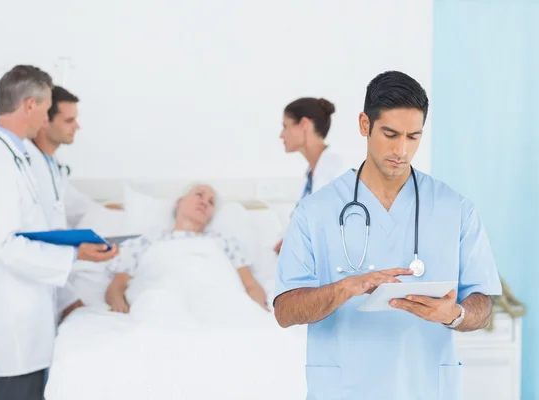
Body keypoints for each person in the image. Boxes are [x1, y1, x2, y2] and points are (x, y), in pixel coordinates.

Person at [272, 71, 502, 400]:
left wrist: (453, 315)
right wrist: (344, 289)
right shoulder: (315, 211)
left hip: (424, 387)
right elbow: (285, 310)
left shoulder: (457, 209)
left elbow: (482, 303)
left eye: (413, 137)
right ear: (365, 125)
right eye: (390, 134)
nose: (401, 150)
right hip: (344, 389)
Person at [0, 65, 119, 400]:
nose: (47, 117)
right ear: (29, 106)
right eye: (48, 107)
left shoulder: (15, 157)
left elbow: (32, 234)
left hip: (28, 317)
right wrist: (75, 254)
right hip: (14, 323)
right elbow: (5, 246)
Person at [26, 85, 120, 322]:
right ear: (44, 121)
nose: (76, 127)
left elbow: (78, 204)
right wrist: (69, 302)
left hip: (52, 287)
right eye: (69, 120)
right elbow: (37, 245)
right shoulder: (29, 171)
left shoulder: (51, 166)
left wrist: (114, 209)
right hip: (37, 287)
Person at [104, 183, 269, 316]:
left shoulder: (225, 243)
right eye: (199, 194)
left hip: (218, 304)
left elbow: (251, 285)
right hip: (160, 303)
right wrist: (118, 305)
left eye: (211, 202)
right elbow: (117, 286)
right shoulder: (145, 241)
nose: (205, 202)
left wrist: (258, 311)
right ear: (179, 202)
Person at [274, 97, 343, 254]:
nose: (281, 135)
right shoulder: (312, 174)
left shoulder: (337, 171)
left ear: (304, 124)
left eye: (285, 126)